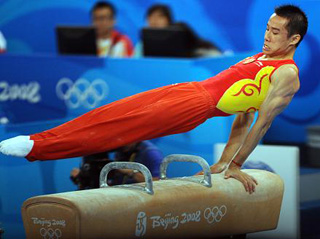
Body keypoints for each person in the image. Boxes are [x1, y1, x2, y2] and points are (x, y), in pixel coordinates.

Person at [0, 5, 308, 194]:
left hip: (196, 106)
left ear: (294, 39)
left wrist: (236, 164)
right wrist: (222, 162)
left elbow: (260, 123)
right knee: (112, 111)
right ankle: (36, 139)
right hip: (188, 89)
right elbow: (242, 115)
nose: (267, 36)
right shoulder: (262, 56)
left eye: (276, 32)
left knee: (122, 128)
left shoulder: (286, 75)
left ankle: (39, 148)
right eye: (267, 28)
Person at [70, 141, 163, 189]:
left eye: (127, 136)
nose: (123, 142)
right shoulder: (120, 148)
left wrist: (131, 172)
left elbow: (158, 184)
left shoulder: (151, 153)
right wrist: (82, 176)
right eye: (121, 137)